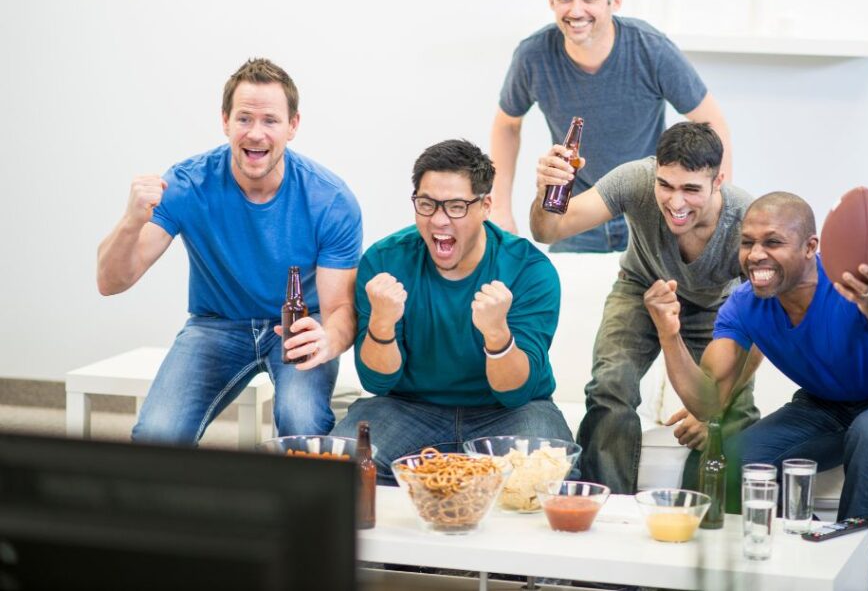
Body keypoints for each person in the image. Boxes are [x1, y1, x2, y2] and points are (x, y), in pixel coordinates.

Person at [654, 191, 868, 586]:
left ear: (810, 247)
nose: (756, 254)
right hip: (827, 405)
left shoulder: (850, 281)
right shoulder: (744, 306)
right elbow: (709, 401)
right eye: (748, 242)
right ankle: (814, 564)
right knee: (737, 458)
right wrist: (669, 335)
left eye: (773, 242)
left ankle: (851, 581)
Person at [97, 58, 362, 444]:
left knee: (303, 426)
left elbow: (339, 309)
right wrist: (130, 221)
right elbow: (111, 282)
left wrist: (328, 340)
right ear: (225, 122)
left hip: (296, 326)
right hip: (215, 324)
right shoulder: (188, 184)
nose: (256, 133)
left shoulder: (331, 200)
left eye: (270, 120)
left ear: (293, 126)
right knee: (156, 435)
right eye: (244, 119)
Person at [531, 122, 758, 494]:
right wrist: (545, 191)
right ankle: (606, 509)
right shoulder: (634, 181)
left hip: (717, 307)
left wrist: (718, 410)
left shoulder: (745, 221)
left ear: (718, 182)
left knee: (731, 417)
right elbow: (548, 231)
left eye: (691, 189)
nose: (676, 201)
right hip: (641, 288)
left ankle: (696, 517)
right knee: (610, 384)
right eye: (665, 185)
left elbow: (762, 323)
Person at [333, 140, 575, 482]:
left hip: (509, 412)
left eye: (457, 206)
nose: (439, 220)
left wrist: (497, 335)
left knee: (549, 474)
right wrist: (382, 324)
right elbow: (376, 381)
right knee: (340, 472)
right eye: (427, 204)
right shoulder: (384, 262)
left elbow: (516, 392)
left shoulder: (529, 269)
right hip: (406, 407)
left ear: (485, 206)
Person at [491, 0, 732, 252]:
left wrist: (715, 209)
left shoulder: (651, 49)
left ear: (614, 0)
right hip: (577, 211)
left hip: (647, 209)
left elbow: (712, 123)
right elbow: (506, 126)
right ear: (551, 0)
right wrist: (500, 209)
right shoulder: (533, 55)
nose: (576, 11)